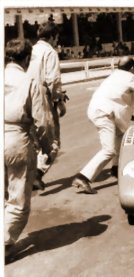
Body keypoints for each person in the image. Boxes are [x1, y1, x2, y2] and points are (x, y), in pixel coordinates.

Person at [71, 56, 134, 194]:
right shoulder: (129, 77)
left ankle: (115, 168)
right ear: (131, 68)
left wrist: (133, 116)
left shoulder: (113, 76)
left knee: (120, 136)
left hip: (100, 111)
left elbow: (117, 100)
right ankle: (83, 177)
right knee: (109, 150)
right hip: (104, 114)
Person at [4, 39, 54, 258]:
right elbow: (42, 121)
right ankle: (3, 244)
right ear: (26, 59)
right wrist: (47, 147)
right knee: (18, 201)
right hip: (16, 140)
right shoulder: (29, 80)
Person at [27, 20, 68, 190]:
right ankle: (37, 174)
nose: (56, 41)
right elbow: (53, 80)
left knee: (31, 140)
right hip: (42, 99)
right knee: (52, 142)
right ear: (52, 37)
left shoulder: (30, 50)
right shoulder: (50, 52)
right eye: (56, 37)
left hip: (25, 97)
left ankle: (26, 175)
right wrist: (59, 100)